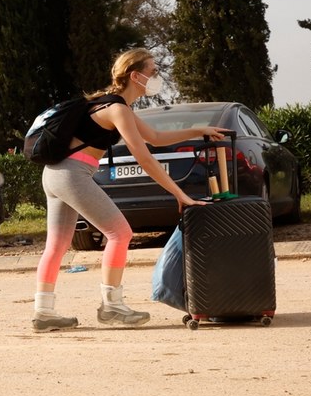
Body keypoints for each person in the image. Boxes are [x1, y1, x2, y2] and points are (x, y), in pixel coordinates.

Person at [31, 48, 225, 332]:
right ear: (136, 75)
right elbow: (145, 157)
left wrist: (198, 130)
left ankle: (43, 312)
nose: (155, 76)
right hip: (73, 175)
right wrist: (179, 194)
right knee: (120, 233)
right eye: (153, 71)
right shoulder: (117, 108)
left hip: (55, 174)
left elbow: (156, 138)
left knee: (57, 246)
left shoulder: (111, 105)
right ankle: (112, 307)